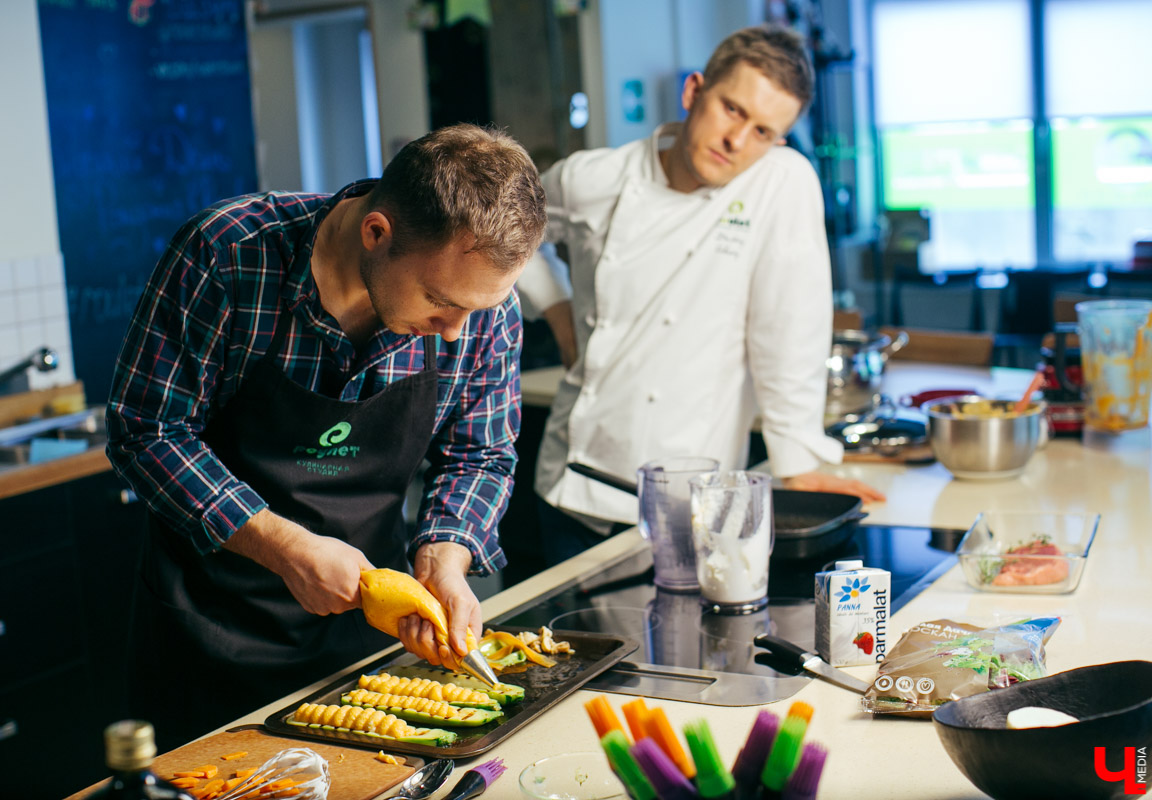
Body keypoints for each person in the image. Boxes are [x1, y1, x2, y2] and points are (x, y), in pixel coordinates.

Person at [107, 124, 546, 747]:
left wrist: (443, 559)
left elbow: (480, 452)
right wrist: (284, 547)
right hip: (211, 635)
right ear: (376, 232)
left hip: (365, 647)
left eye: (478, 310)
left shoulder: (479, 306)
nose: (456, 332)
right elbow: (146, 431)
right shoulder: (227, 256)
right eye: (438, 302)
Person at [517, 25, 884, 563]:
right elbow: (506, 228)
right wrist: (557, 311)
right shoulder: (595, 178)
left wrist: (797, 458)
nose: (738, 141)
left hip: (695, 505)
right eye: (732, 110)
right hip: (576, 486)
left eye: (763, 131)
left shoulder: (778, 182)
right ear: (694, 92)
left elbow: (790, 326)